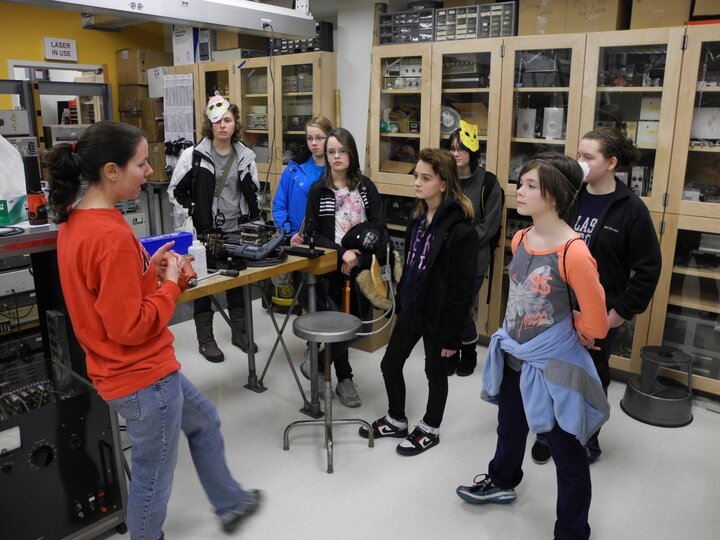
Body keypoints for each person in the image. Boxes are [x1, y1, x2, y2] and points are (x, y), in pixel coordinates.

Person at [47, 121, 261, 538]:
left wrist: (150, 269)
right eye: (142, 164)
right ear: (111, 170)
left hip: (125, 371)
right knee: (151, 481)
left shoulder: (75, 222)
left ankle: (230, 502)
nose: (150, 172)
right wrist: (168, 285)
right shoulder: (110, 235)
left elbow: (105, 300)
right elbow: (130, 326)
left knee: (203, 421)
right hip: (143, 378)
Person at [455, 152, 610, 540]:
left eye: (529, 186)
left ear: (555, 196)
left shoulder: (573, 251)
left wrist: (568, 325)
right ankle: (502, 480)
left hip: (553, 366)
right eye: (520, 183)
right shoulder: (521, 238)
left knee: (567, 452)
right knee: (509, 427)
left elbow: (596, 323)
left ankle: (573, 530)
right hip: (513, 357)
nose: (518, 191)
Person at [530, 127, 662, 465]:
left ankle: (587, 437)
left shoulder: (631, 209)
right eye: (578, 155)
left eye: (589, 157)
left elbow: (648, 270)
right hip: (556, 307)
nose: (580, 162)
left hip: (600, 314)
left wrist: (613, 316)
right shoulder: (569, 196)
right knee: (549, 370)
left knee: (589, 376)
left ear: (612, 163)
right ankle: (548, 432)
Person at [359, 148, 478, 456]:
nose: (417, 183)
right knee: (390, 363)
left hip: (439, 316)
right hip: (411, 307)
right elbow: (410, 269)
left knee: (435, 373)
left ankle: (430, 428)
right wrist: (399, 305)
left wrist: (453, 335)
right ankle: (396, 419)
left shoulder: (461, 230)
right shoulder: (416, 220)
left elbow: (463, 290)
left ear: (443, 183)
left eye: (426, 178)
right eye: (416, 176)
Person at [168, 95, 260, 363]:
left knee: (236, 281)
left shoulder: (245, 155)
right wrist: (196, 213)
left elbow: (252, 190)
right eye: (217, 120)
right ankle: (206, 340)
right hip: (204, 233)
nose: (223, 125)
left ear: (235, 123)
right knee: (203, 284)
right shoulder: (194, 156)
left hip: (236, 229)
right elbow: (176, 191)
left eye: (228, 120)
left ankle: (240, 333)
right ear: (210, 124)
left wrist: (251, 216)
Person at [302, 127, 384, 407]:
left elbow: (378, 228)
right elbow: (312, 233)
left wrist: (358, 258)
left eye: (342, 151)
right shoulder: (318, 190)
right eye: (331, 152)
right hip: (330, 268)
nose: (336, 156)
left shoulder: (365, 187)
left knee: (358, 325)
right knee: (337, 322)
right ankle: (345, 379)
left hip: (360, 268)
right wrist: (341, 254)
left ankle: (321, 357)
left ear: (351, 153)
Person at [447, 120, 504, 376]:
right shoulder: (445, 180)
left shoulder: (489, 184)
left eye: (461, 149)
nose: (456, 153)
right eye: (452, 148)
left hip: (473, 260)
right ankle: (449, 351)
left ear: (472, 151)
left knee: (462, 309)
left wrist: (460, 241)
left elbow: (488, 226)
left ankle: (468, 352)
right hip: (445, 257)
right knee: (445, 306)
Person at [272, 116, 334, 243]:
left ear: (330, 138)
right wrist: (289, 234)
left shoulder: (338, 171)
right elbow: (279, 206)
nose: (314, 143)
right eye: (310, 138)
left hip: (330, 242)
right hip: (298, 240)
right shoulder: (293, 170)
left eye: (320, 138)